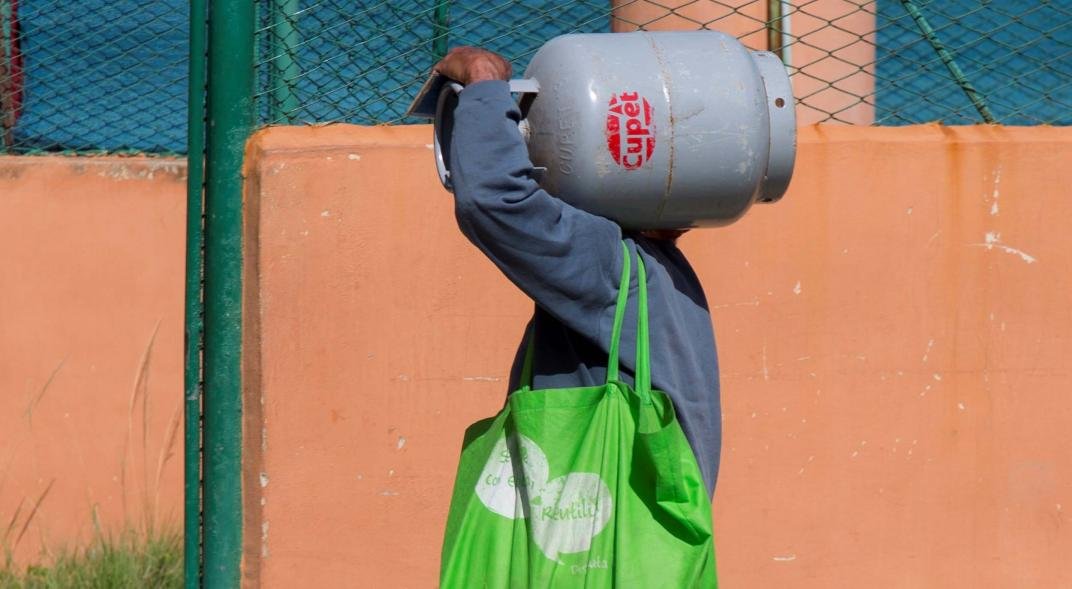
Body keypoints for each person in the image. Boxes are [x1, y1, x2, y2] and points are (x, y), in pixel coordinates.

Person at [434, 46, 722, 498]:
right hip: (641, 555)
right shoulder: (669, 279)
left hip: (593, 556)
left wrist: (483, 81)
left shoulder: (613, 267)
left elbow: (494, 201)